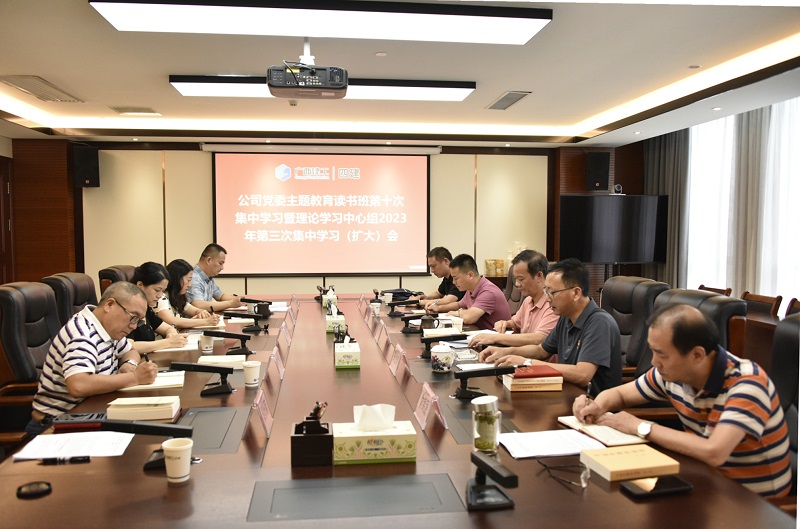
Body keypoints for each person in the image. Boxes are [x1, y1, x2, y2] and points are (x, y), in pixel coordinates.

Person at [574, 304, 791, 499]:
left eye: (662, 354)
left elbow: (714, 451)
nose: (654, 362)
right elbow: (621, 395)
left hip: (753, 502)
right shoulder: (672, 374)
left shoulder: (747, 383)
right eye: (652, 351)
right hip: (703, 481)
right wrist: (597, 405)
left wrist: (640, 427)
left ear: (697, 355)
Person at [27, 282, 158, 435]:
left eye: (138, 321)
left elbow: (131, 351)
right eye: (133, 317)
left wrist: (129, 363)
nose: (134, 326)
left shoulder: (107, 328)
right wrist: (134, 377)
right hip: (57, 424)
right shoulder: (83, 335)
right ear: (109, 305)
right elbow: (78, 385)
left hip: (89, 413)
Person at [481, 258, 621, 394]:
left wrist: (527, 362)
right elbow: (540, 350)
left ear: (576, 293)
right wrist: (506, 352)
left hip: (592, 404)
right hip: (564, 394)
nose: (547, 299)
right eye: (546, 292)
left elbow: (582, 374)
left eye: (552, 293)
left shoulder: (599, 323)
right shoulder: (566, 318)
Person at [469, 249, 558, 349]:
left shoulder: (553, 304)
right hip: (522, 355)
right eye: (515, 279)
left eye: (521, 279)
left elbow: (540, 338)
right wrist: (505, 323)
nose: (517, 284)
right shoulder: (528, 301)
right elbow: (515, 323)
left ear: (539, 276)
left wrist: (496, 338)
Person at [434, 253, 511, 330]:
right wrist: (438, 308)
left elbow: (469, 318)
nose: (454, 282)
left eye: (456, 278)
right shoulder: (471, 289)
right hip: (479, 332)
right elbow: (458, 305)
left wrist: (458, 313)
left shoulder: (488, 292)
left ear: (470, 275)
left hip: (495, 335)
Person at [127, 262, 189, 354]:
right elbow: (128, 347)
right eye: (157, 290)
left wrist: (171, 334)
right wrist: (168, 342)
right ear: (140, 285)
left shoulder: (146, 307)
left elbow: (167, 328)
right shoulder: (127, 310)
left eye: (162, 291)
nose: (160, 295)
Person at [155, 258, 221, 329]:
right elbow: (173, 321)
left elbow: (194, 310)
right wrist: (206, 321)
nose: (189, 285)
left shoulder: (177, 297)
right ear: (177, 279)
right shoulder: (160, 298)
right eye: (188, 280)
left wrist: (201, 311)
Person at [187, 243, 244, 312]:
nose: (222, 268)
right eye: (220, 263)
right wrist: (230, 304)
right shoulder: (193, 278)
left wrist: (239, 300)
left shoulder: (208, 277)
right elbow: (199, 305)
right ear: (209, 260)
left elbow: (220, 296)